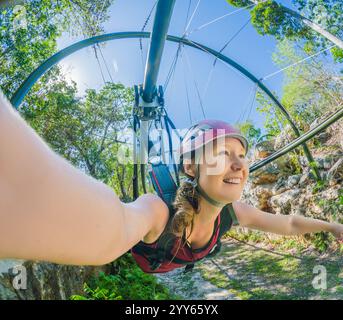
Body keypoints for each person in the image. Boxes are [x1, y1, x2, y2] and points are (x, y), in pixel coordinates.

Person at [0, 91, 342, 271]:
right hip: (151, 261)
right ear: (191, 168)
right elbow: (112, 227)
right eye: (223, 154)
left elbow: (289, 223)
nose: (239, 165)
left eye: (242, 156)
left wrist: (332, 228)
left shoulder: (233, 212)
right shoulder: (157, 211)